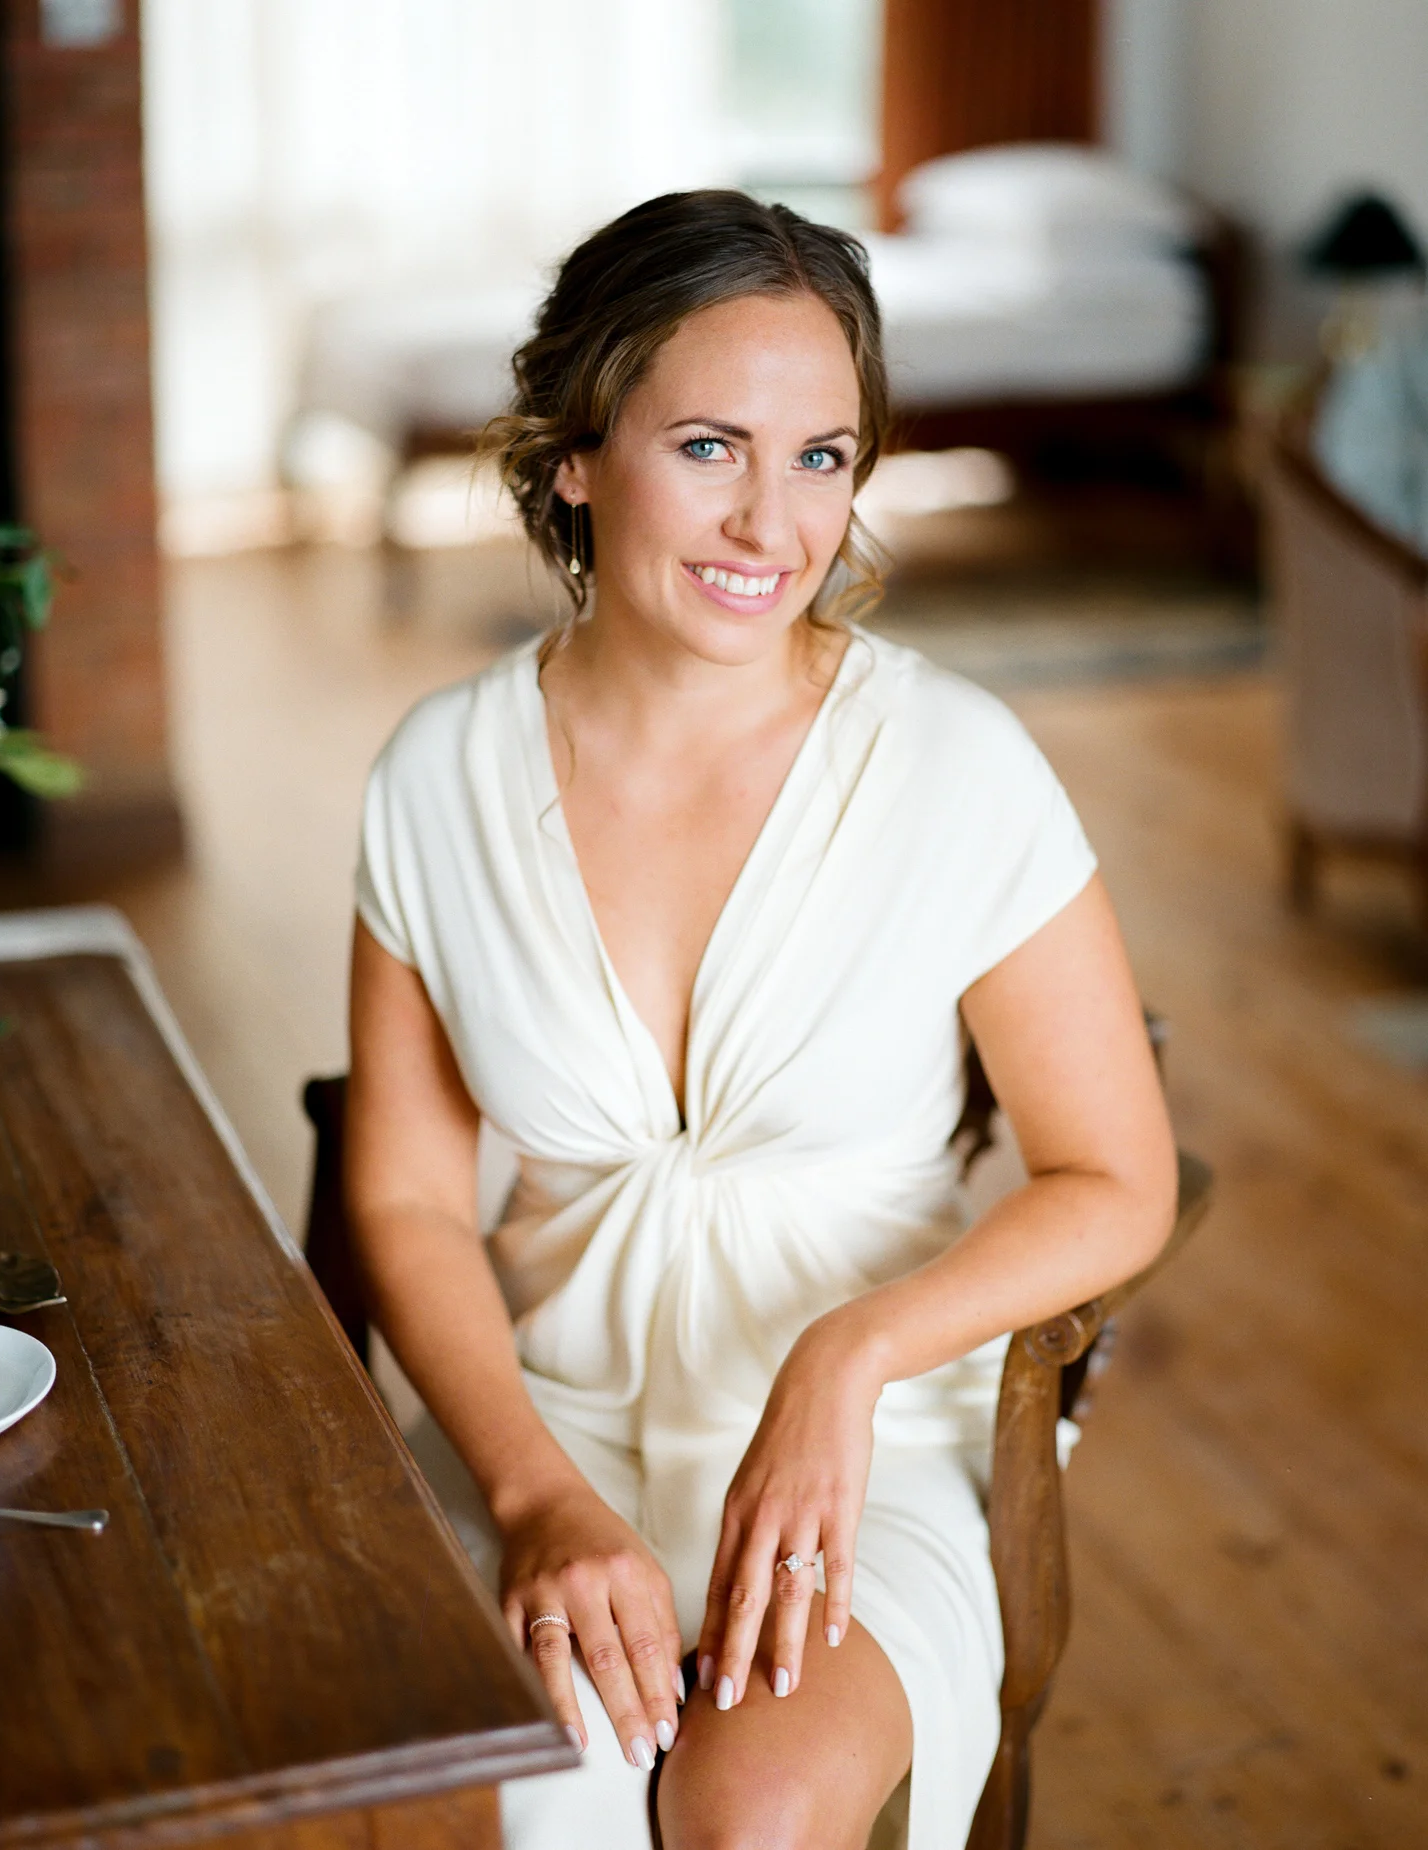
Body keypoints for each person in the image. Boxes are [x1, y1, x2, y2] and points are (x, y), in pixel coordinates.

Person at [346, 190, 1176, 1850]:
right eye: (710, 445)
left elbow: (1116, 1179)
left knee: (753, 1811)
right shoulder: (436, 775)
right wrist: (531, 1490)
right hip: (544, 1424)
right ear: (577, 456)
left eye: (821, 457)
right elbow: (408, 1198)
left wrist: (846, 1355)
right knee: (509, 1808)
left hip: (869, 1449)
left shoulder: (955, 763)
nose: (770, 523)